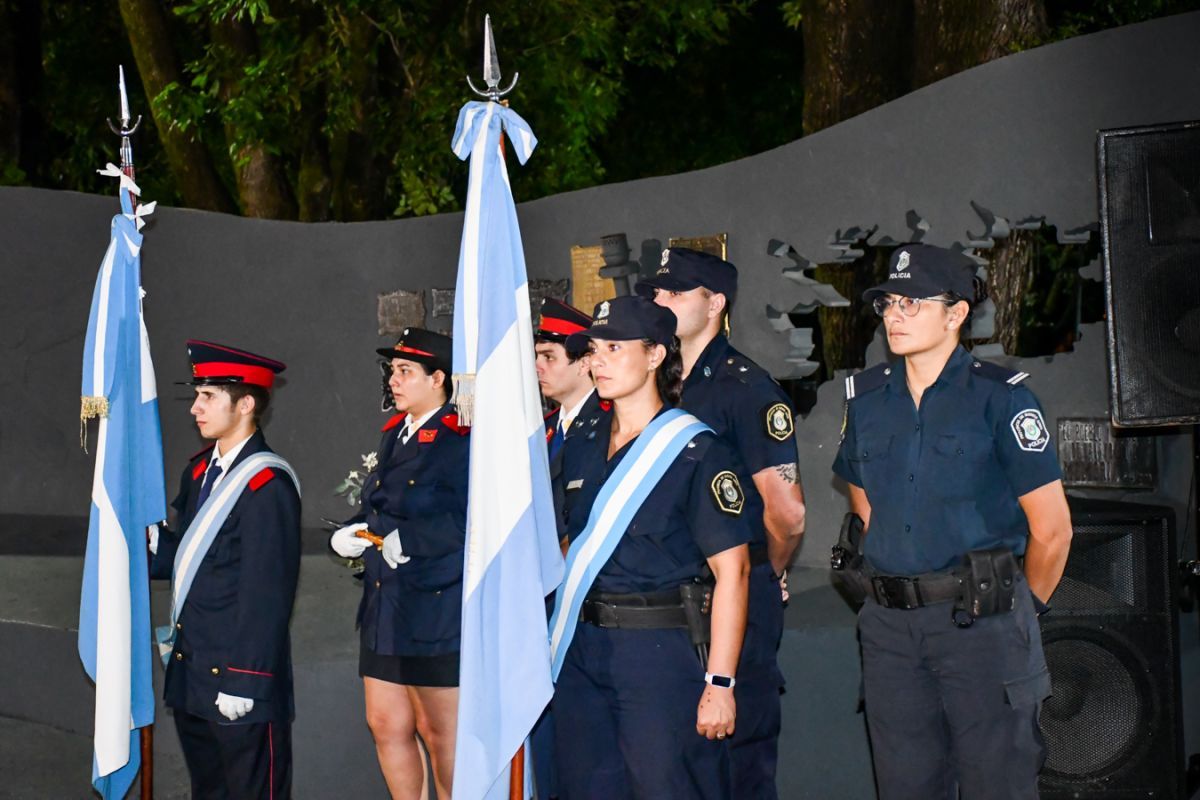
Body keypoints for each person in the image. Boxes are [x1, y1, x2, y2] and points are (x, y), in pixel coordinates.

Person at [832, 244, 1073, 799]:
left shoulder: (1001, 401)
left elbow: (1053, 530)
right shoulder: (865, 403)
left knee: (998, 784)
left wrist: (1016, 614)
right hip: (891, 630)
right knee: (905, 786)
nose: (894, 314)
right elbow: (867, 507)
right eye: (888, 303)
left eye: (912, 303)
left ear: (956, 312)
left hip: (982, 621)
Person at [549, 295, 752, 800]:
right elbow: (571, 540)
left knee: (664, 787)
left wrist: (720, 684)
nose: (598, 362)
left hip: (657, 652)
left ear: (656, 354)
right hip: (581, 647)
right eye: (592, 350)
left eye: (614, 348)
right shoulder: (582, 440)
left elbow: (734, 572)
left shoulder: (696, 450)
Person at [639, 247, 806, 799]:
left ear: (715, 303)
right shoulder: (656, 387)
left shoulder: (745, 389)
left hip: (733, 594)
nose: (660, 301)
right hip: (670, 602)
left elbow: (785, 510)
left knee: (737, 762)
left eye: (676, 292)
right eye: (657, 292)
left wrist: (765, 571)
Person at [149, 340, 300, 799]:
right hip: (193, 675)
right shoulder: (198, 473)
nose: (195, 407)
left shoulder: (266, 484)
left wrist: (244, 680)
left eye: (208, 396)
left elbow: (266, 595)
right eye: (197, 394)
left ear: (247, 403)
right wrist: (147, 542)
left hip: (238, 688)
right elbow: (192, 562)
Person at [329, 328, 469, 800]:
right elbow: (383, 506)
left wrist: (413, 537)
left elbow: (477, 517)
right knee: (386, 722)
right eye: (393, 370)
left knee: (439, 732)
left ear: (439, 379)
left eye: (406, 371)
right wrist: (350, 530)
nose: (394, 379)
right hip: (386, 603)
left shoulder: (461, 437)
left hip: (434, 606)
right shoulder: (395, 434)